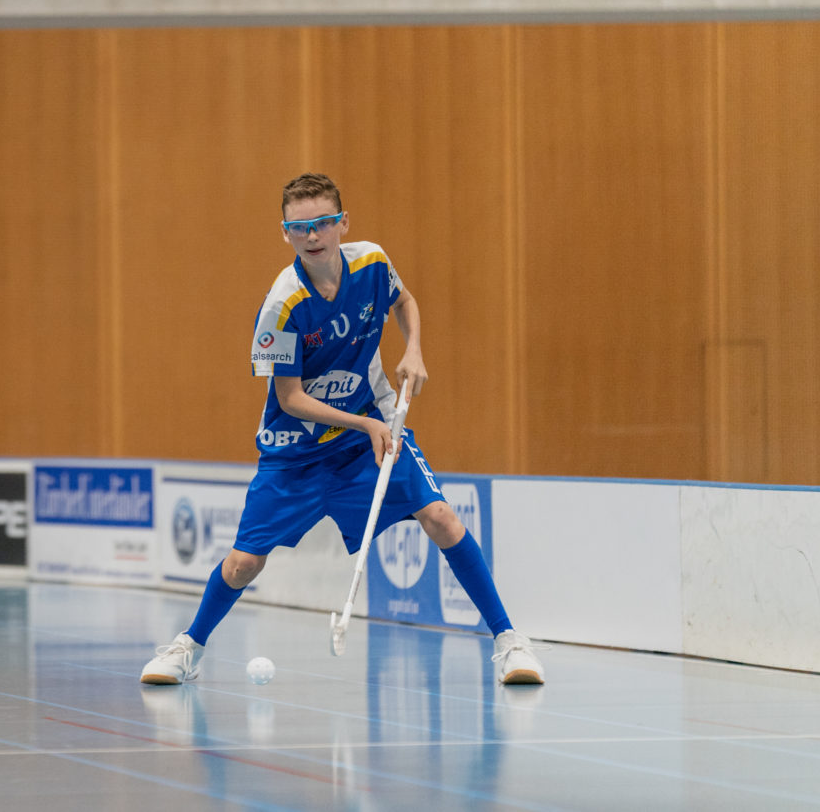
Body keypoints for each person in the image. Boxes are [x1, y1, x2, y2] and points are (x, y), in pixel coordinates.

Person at [141, 173, 545, 686]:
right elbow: (290, 398)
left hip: (364, 444)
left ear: (343, 222)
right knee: (243, 564)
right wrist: (364, 422)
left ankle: (509, 641)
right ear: (285, 233)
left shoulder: (372, 261)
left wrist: (413, 349)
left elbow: (405, 301)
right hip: (296, 455)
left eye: (324, 223)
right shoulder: (281, 306)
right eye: (300, 227)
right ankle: (187, 648)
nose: (313, 235)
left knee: (441, 517)